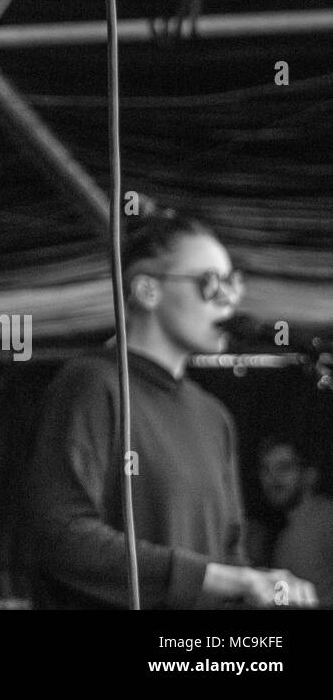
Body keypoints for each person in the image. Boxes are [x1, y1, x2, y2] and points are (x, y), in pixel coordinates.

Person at [27, 205, 317, 609]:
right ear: (147, 290)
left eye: (233, 282)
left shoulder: (214, 417)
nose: (230, 299)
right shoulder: (92, 384)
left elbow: (228, 556)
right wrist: (220, 578)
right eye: (210, 282)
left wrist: (261, 586)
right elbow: (62, 536)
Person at [250, 438, 333, 608]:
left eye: (283, 467)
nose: (272, 478)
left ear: (310, 475)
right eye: (265, 469)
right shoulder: (278, 532)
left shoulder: (326, 519)